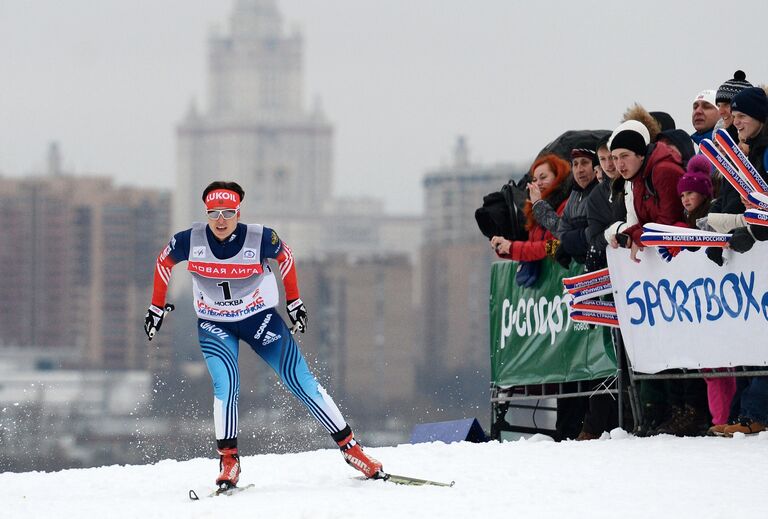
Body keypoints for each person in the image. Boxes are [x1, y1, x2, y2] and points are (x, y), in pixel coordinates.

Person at [144, 181, 382, 490]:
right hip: (216, 324)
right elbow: (164, 261)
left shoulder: (259, 238)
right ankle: (229, 461)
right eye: (213, 213)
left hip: (259, 320)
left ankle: (353, 451)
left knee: (301, 383)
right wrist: (156, 307)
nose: (220, 220)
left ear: (238, 213)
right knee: (226, 384)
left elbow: (286, 256)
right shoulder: (190, 240)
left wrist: (294, 301)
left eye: (228, 213)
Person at [490, 154, 571, 281]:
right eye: (534, 180)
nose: (538, 183)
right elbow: (534, 246)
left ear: (558, 177)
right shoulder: (533, 209)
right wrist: (507, 247)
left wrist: (513, 247)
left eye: (543, 177)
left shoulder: (566, 205)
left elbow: (553, 247)